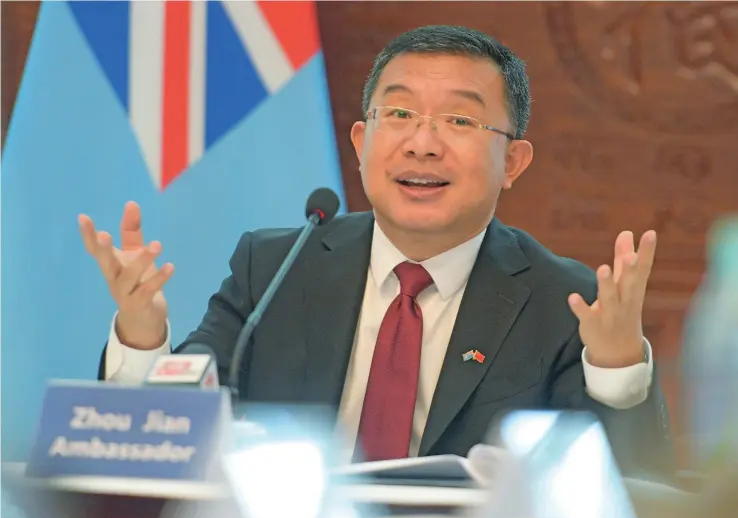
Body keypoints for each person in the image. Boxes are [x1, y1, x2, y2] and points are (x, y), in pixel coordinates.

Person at [79, 25, 674, 477]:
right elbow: (174, 429)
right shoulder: (276, 268)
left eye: (461, 121)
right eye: (398, 113)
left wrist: (618, 371)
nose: (422, 144)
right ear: (362, 143)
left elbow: (624, 488)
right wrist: (141, 336)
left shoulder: (561, 300)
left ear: (512, 163)